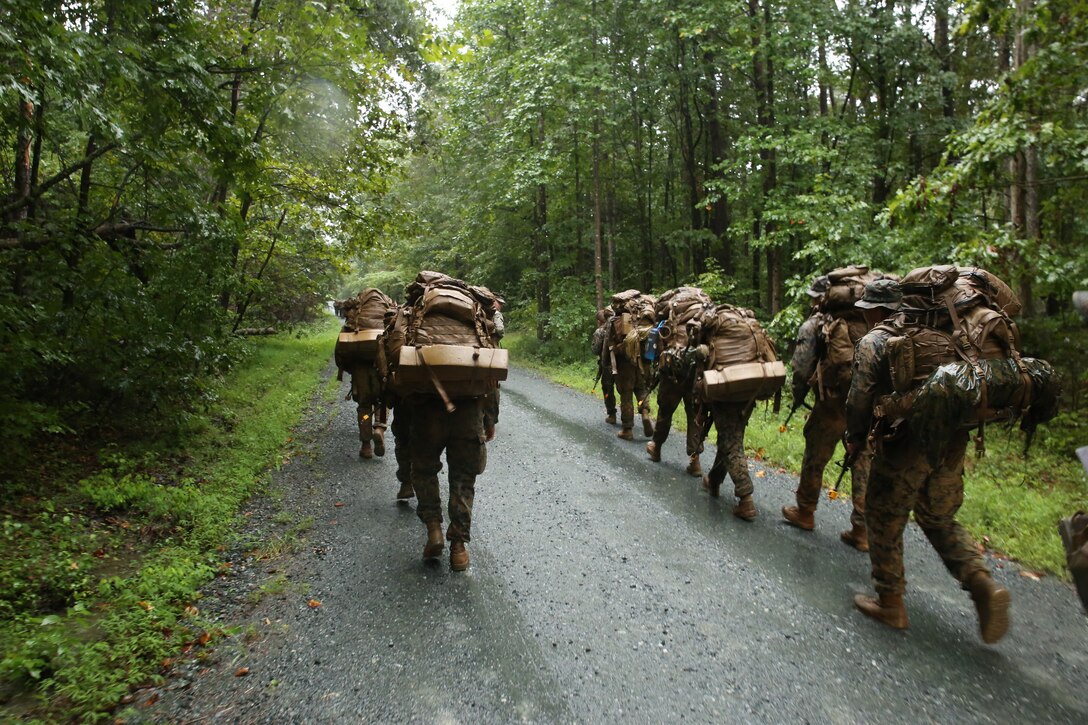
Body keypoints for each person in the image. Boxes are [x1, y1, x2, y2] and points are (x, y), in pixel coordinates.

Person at [845, 278, 1011, 643]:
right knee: (937, 515)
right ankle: (979, 579)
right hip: (952, 439)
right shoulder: (948, 333)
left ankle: (890, 603)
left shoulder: (876, 340)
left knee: (883, 512)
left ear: (877, 308)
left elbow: (859, 398)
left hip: (905, 441)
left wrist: (855, 439)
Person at [781, 273, 891, 551]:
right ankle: (862, 530)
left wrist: (799, 394)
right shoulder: (878, 325)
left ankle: (805, 512)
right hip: (871, 405)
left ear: (823, 297)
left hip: (833, 402)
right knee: (863, 457)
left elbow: (801, 366)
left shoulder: (819, 323)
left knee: (816, 452)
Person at [591, 308, 618, 425]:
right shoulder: (619, 327)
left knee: (607, 387)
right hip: (624, 364)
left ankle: (612, 414)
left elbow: (595, 350)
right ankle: (640, 413)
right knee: (626, 390)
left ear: (600, 321)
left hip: (608, 365)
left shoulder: (600, 331)